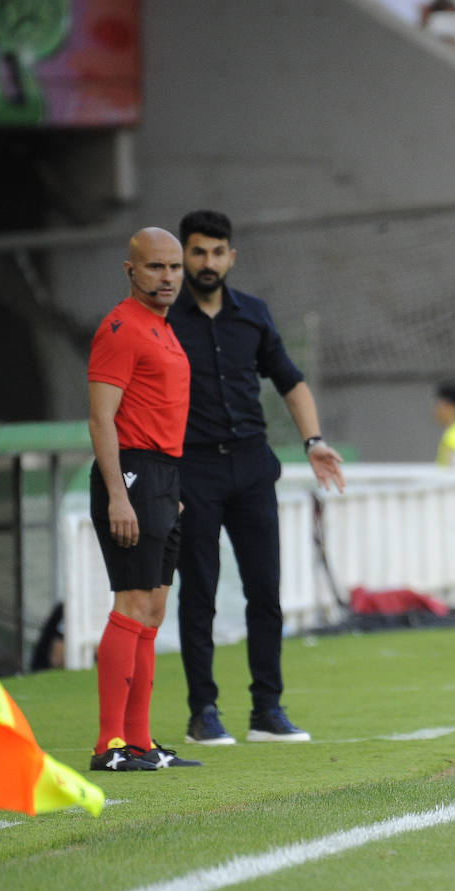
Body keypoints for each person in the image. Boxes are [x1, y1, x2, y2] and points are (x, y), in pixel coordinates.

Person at [168, 210, 345, 746]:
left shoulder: (254, 315)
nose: (207, 263)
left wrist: (313, 442)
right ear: (184, 257)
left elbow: (291, 382)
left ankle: (267, 708)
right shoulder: (166, 321)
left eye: (217, 252)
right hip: (191, 469)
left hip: (250, 466)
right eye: (197, 252)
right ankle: (204, 712)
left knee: (264, 591)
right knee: (197, 593)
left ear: (231, 257)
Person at [87, 226, 199, 771]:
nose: (168, 277)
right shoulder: (120, 327)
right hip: (131, 473)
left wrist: (168, 490)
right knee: (131, 604)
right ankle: (109, 744)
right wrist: (119, 495)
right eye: (156, 267)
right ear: (130, 270)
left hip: (160, 477)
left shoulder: (163, 328)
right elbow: (101, 417)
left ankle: (139, 741)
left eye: (174, 267)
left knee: (153, 608)